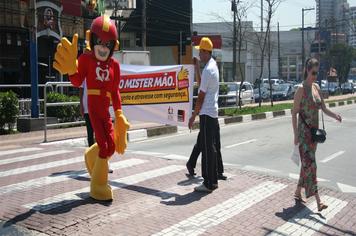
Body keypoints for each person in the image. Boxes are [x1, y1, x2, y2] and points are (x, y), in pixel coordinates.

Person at [54, 15, 130, 201]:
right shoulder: (86, 59)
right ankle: (98, 186)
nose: (103, 47)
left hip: (105, 109)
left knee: (111, 146)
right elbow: (77, 81)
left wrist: (119, 113)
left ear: (114, 45)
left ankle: (90, 156)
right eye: (99, 41)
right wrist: (72, 69)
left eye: (108, 43)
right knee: (104, 146)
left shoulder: (114, 65)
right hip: (93, 107)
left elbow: (115, 91)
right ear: (91, 39)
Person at [292, 57, 342, 211]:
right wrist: (295, 135)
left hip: (314, 135)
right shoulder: (301, 89)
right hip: (303, 135)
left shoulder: (317, 88)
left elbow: (324, 108)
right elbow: (293, 114)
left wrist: (335, 115)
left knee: (306, 165)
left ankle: (297, 193)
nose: (315, 75)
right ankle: (319, 201)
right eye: (313, 72)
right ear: (307, 70)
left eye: (317, 73)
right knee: (311, 166)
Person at [188, 37, 219, 193]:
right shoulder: (212, 66)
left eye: (201, 51)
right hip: (212, 113)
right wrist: (197, 68)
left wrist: (194, 115)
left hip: (206, 113)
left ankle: (207, 183)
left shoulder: (208, 70)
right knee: (211, 148)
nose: (199, 53)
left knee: (207, 150)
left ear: (207, 52)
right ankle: (213, 181)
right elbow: (202, 84)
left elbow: (201, 94)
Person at [80, 80, 95, 147]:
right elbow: (81, 90)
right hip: (86, 107)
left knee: (98, 131)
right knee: (90, 131)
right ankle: (91, 149)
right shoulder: (83, 76)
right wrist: (81, 105)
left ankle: (99, 149)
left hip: (96, 107)